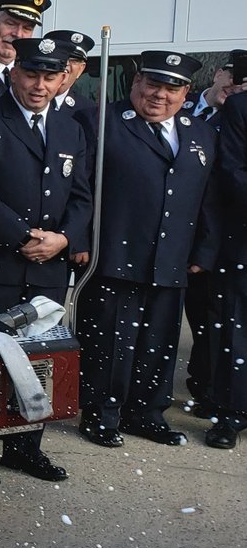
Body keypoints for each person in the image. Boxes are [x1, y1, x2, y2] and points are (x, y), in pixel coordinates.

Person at [0, 35, 91, 485]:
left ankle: (26, 447)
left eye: (49, 76)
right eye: (31, 74)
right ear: (14, 72)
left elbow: (83, 196)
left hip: (49, 264)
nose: (39, 85)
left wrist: (64, 238)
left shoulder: (71, 127)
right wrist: (23, 237)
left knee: (41, 357)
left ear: (62, 78)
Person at [76, 51, 215, 448]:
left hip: (172, 258)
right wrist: (81, 241)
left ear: (186, 92)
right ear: (136, 82)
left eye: (172, 88)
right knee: (109, 342)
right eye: (153, 84)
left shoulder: (200, 131)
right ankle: (101, 413)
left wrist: (203, 251)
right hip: (113, 255)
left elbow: (207, 198)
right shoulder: (100, 122)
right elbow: (81, 190)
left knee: (159, 342)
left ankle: (146, 413)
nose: (159, 95)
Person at [182, 50, 247, 416]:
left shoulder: (235, 113)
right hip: (193, 233)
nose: (237, 86)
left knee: (216, 319)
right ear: (218, 73)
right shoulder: (184, 106)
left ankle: (211, 389)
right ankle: (208, 385)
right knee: (201, 316)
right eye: (234, 77)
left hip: (224, 231)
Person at [198, 82, 247, 449]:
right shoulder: (240, 108)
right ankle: (231, 414)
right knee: (235, 331)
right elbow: (232, 170)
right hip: (242, 240)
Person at [49, 29, 98, 156]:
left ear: (81, 69)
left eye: (74, 61)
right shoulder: (24, 98)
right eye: (62, 56)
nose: (66, 65)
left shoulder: (89, 111)